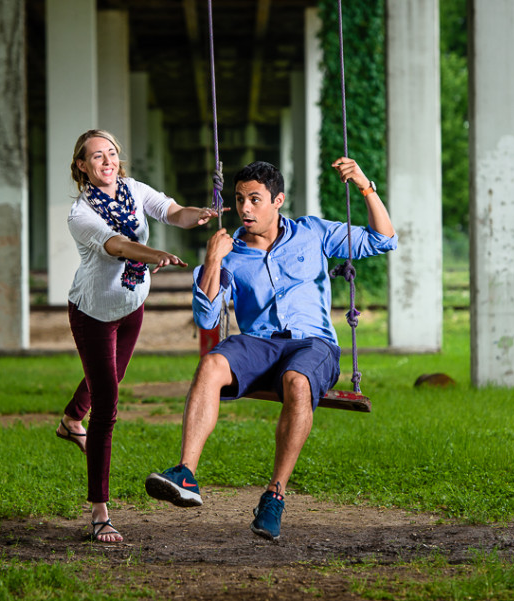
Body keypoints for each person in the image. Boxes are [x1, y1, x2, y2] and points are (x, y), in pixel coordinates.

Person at [144, 158, 396, 540]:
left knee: (297, 381)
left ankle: (275, 495)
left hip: (313, 344)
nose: (245, 208)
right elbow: (207, 320)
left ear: (277, 201)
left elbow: (383, 239)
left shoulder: (312, 233)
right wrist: (212, 260)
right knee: (211, 363)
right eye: (240, 199)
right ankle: (186, 473)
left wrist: (364, 184)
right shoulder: (228, 253)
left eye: (255, 199)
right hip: (258, 343)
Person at [56, 129, 222, 543]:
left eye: (111, 153)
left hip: (131, 306)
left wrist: (196, 213)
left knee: (109, 379)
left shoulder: (132, 189)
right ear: (82, 166)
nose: (107, 160)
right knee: (108, 403)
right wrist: (157, 255)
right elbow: (117, 246)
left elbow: (170, 211)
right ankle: (99, 511)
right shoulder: (79, 214)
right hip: (93, 314)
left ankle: (71, 417)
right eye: (97, 156)